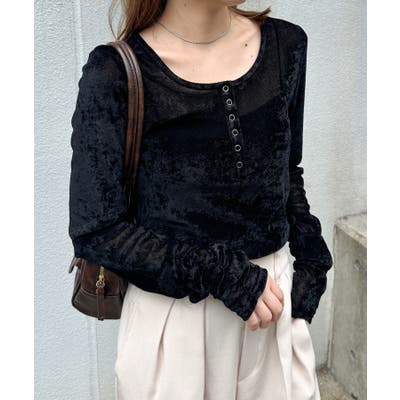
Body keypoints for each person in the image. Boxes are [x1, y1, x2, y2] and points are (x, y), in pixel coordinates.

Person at [68, 1, 333, 399]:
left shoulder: (286, 44)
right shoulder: (115, 73)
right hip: (175, 330)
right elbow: (96, 231)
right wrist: (225, 275)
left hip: (273, 308)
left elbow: (286, 170)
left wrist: (312, 261)